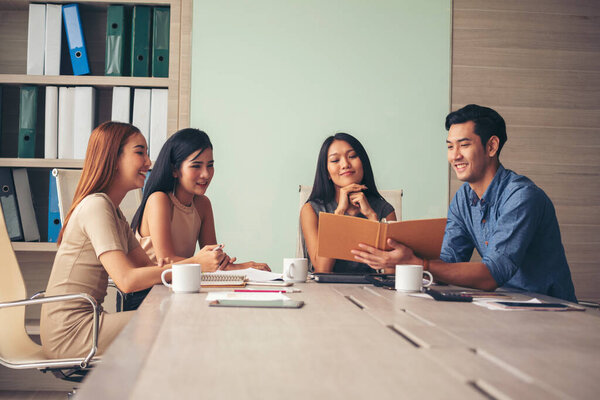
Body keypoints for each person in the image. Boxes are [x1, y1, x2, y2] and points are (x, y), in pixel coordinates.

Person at [351, 105, 577, 302]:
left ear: (491, 147)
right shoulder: (463, 198)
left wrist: (418, 263)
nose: (454, 156)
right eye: (450, 147)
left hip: (550, 309)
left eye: (464, 145)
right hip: (505, 305)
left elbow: (492, 275)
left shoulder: (521, 196)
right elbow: (449, 262)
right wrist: (400, 256)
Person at [40, 122, 225, 359]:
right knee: (179, 319)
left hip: (89, 324)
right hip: (71, 333)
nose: (149, 162)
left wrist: (191, 267)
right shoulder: (96, 206)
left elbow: (150, 269)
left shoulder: (114, 213)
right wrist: (196, 264)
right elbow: (126, 280)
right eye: (140, 152)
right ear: (113, 158)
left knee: (184, 313)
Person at [126, 128, 269, 309]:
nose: (206, 174)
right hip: (148, 294)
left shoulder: (203, 205)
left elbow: (211, 262)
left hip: (180, 290)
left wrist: (246, 267)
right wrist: (206, 262)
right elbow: (168, 260)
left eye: (210, 165)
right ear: (175, 170)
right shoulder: (159, 200)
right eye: (196, 166)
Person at [300, 132, 396, 274]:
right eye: (335, 160)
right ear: (327, 172)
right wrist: (339, 214)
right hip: (325, 293)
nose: (345, 164)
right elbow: (323, 269)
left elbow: (391, 274)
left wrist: (371, 217)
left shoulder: (384, 210)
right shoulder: (311, 210)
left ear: (363, 163)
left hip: (371, 292)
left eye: (352, 156)